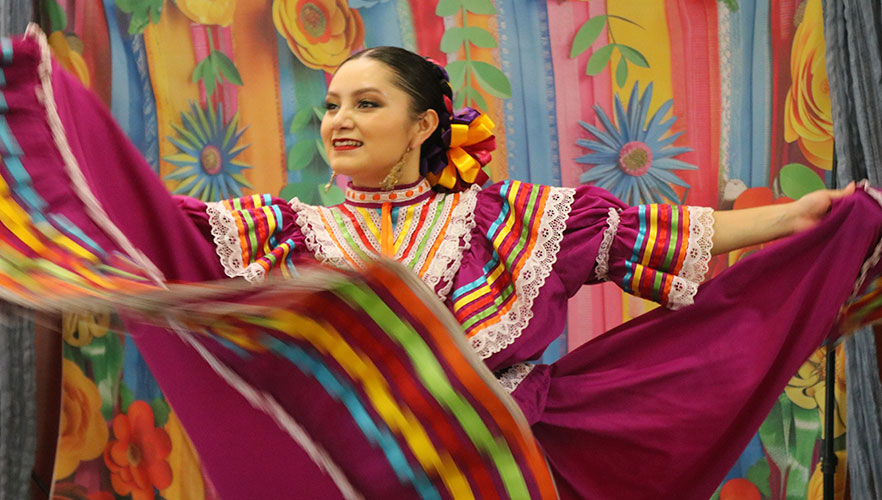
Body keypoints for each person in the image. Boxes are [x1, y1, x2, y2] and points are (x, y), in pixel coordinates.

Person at [7, 27, 882, 499]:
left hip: (501, 470)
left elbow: (653, 239)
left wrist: (794, 219)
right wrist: (48, 150)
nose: (339, 122)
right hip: (350, 475)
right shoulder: (289, 230)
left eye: (368, 103)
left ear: (425, 124)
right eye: (332, 107)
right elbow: (154, 228)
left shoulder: (512, 222)